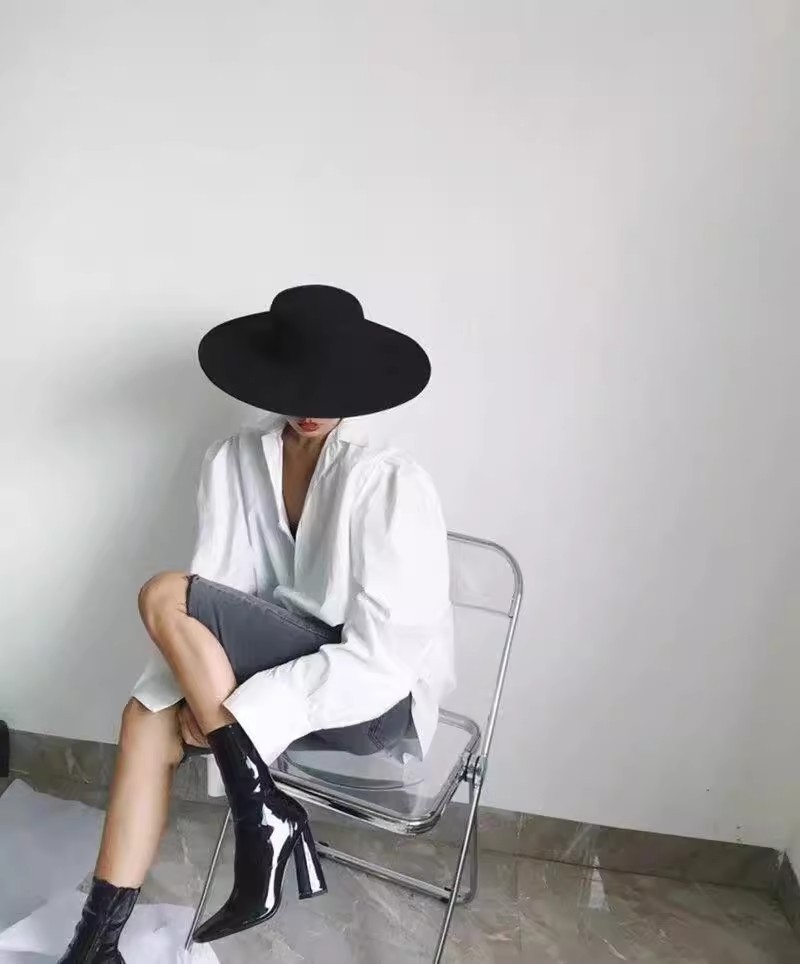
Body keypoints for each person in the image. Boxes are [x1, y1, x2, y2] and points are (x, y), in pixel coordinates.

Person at [58, 284, 455, 960]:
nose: (311, 406)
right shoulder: (235, 459)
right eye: (296, 386)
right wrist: (197, 700)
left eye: (329, 388)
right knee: (146, 715)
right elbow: (216, 605)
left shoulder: (391, 480)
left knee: (163, 593)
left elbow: (383, 660)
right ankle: (96, 945)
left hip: (371, 702)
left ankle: (258, 811)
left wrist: (241, 713)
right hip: (270, 680)